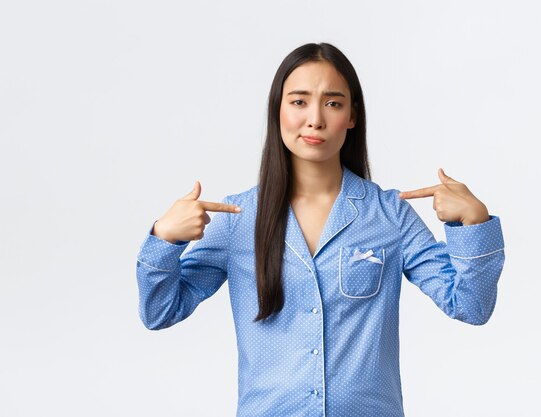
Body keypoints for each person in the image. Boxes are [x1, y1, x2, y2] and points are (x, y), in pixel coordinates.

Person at [136, 42, 505, 417]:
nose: (315, 119)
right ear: (277, 110)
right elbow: (159, 312)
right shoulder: (237, 219)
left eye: (332, 103)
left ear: (352, 116)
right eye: (298, 102)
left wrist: (473, 223)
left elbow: (471, 306)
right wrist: (165, 238)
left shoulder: (389, 215)